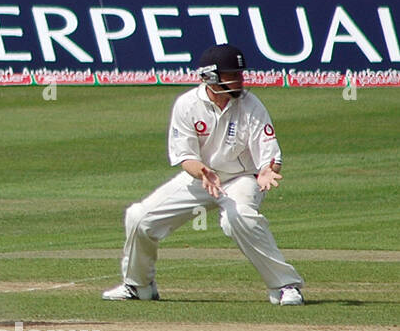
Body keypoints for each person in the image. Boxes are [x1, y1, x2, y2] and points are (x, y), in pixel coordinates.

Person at [103, 44, 305, 307]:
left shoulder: (251, 105)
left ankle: (285, 286)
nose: (239, 80)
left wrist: (268, 170)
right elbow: (185, 156)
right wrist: (202, 172)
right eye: (232, 75)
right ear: (210, 77)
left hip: (242, 178)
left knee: (238, 217)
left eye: (240, 74)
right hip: (201, 177)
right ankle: (138, 286)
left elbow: (269, 153)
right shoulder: (187, 105)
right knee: (139, 217)